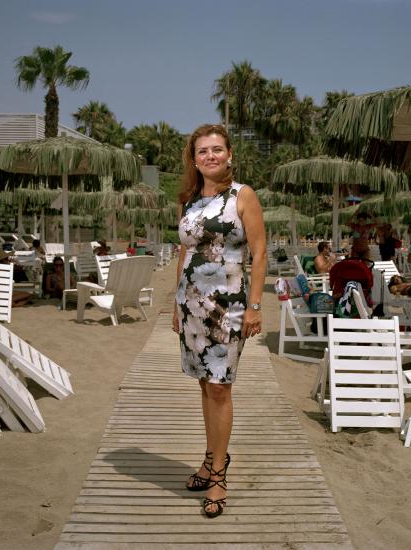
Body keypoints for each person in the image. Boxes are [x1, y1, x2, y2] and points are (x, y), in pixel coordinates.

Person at [173, 124, 266, 519]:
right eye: (202, 151)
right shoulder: (189, 201)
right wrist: (174, 304)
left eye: (216, 150)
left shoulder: (242, 196)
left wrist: (256, 306)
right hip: (190, 304)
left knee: (220, 389)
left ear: (229, 154)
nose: (210, 156)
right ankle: (210, 459)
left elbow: (260, 253)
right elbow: (184, 254)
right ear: (193, 159)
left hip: (227, 305)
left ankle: (219, 475)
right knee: (204, 385)